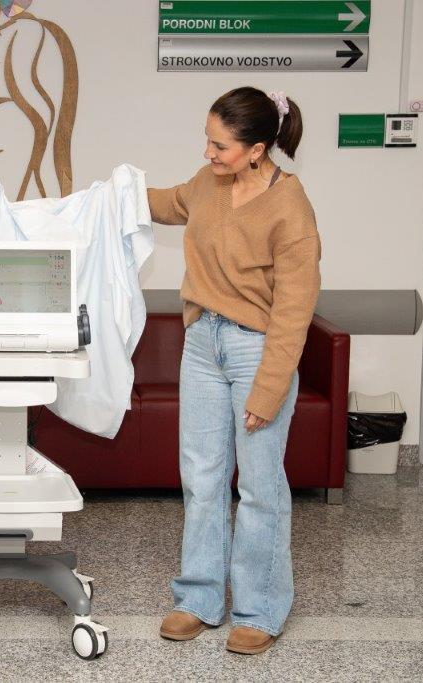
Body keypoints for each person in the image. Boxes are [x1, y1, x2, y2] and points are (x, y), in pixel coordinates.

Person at [148, 87, 321, 655]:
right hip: (202, 342)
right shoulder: (209, 183)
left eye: (220, 145)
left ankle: (259, 609)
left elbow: (294, 312)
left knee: (259, 486)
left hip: (257, 351)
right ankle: (198, 599)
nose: (208, 153)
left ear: (257, 150)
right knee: (201, 478)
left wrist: (269, 389)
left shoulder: (290, 209)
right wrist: (110, 195)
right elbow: (167, 202)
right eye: (208, 140)